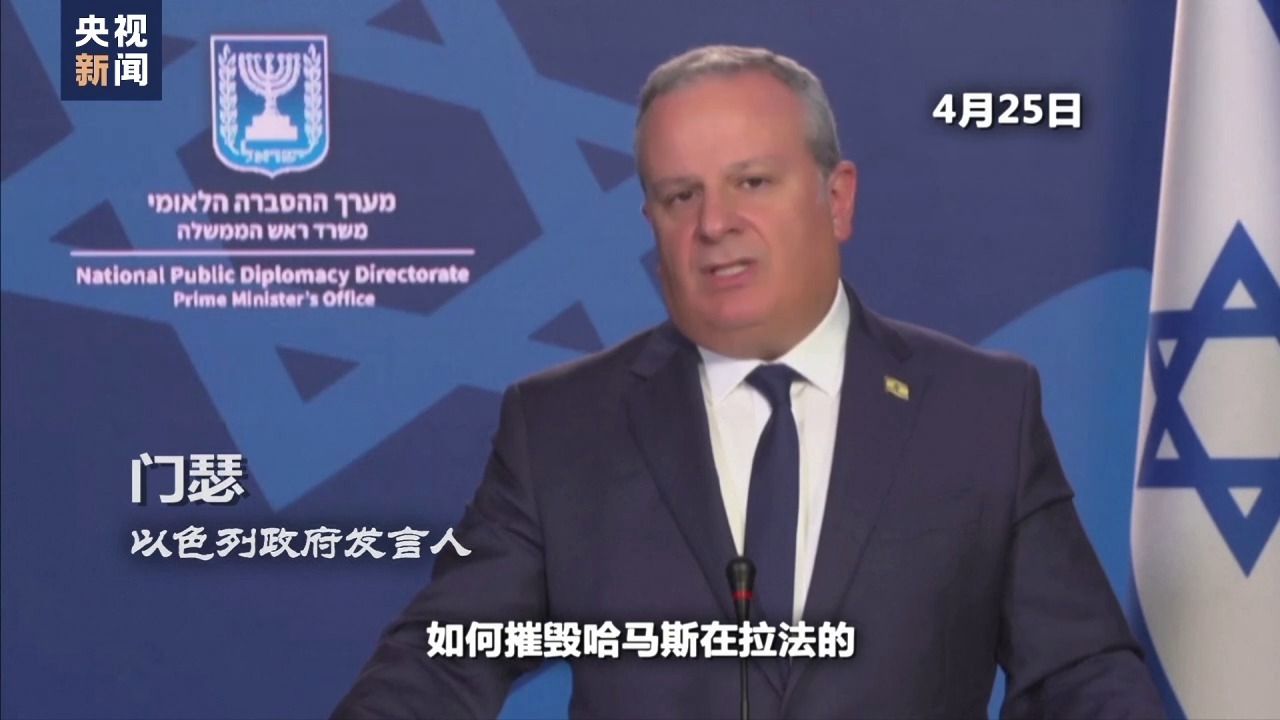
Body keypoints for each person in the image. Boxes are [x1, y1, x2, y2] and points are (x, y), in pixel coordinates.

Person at [332, 45, 1165, 719]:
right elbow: (440, 662)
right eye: (679, 196)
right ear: (652, 224)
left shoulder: (979, 411)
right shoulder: (559, 427)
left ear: (836, 199)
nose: (714, 223)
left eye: (752, 182)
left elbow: (1079, 674)